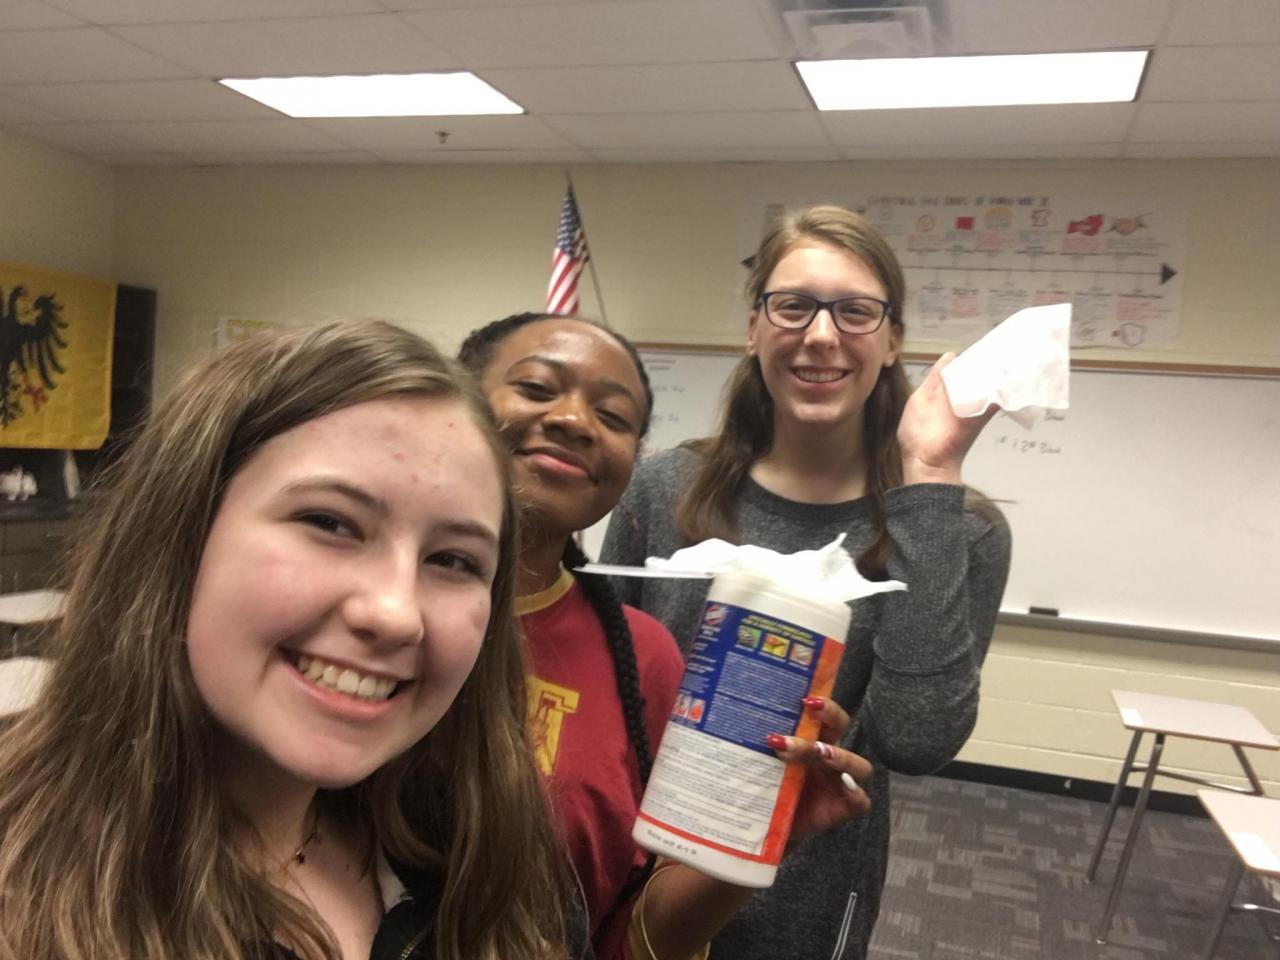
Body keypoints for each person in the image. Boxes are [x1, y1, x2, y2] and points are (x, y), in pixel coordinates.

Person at [0, 320, 586, 960]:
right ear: (179, 535)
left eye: (453, 560)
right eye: (329, 522)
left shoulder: (482, 865)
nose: (395, 614)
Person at [600, 206, 1012, 960]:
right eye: (793, 306)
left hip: (805, 903)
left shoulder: (955, 528)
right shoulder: (661, 492)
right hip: (628, 874)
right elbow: (605, 693)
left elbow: (915, 740)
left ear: (892, 341)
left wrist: (930, 479)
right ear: (754, 329)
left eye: (855, 312)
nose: (821, 335)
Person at [459, 313, 873, 960]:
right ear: (456, 401)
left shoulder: (643, 657)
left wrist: (757, 841)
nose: (575, 420)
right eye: (537, 388)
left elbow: (634, 936)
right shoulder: (378, 619)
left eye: (614, 417)